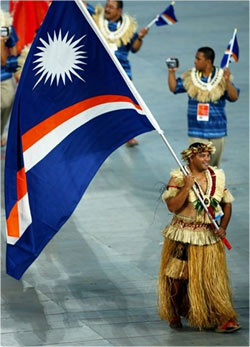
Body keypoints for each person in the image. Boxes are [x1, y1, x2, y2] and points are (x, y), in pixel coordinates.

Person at [158, 142, 241, 332]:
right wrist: (187, 187)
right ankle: (174, 310)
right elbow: (172, 206)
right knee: (177, 278)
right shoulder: (178, 177)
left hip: (208, 235)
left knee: (211, 279)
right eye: (202, 156)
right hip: (183, 236)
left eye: (207, 156)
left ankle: (222, 317)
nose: (206, 160)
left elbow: (226, 204)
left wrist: (223, 227)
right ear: (191, 158)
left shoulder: (216, 176)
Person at [167, 47, 239, 167]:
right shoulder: (192, 77)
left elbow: (234, 97)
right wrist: (171, 71)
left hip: (217, 131)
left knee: (213, 168)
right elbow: (174, 88)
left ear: (208, 62)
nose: (195, 61)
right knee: (197, 166)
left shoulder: (221, 77)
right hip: (196, 130)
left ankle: (212, 186)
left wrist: (227, 82)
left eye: (198, 59)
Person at [91, 0, 149, 147]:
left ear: (119, 11)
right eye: (107, 6)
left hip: (122, 72)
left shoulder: (127, 28)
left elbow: (134, 48)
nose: (107, 9)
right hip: (100, 72)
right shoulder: (97, 21)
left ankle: (130, 136)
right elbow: (83, 6)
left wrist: (140, 38)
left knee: (127, 104)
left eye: (111, 7)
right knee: (99, 103)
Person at [0, 8, 18, 147]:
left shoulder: (4, 22)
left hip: (3, 74)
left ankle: (1, 132)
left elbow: (11, 46)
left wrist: (13, 68)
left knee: (7, 103)